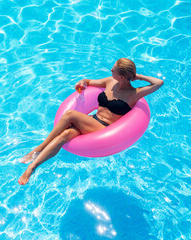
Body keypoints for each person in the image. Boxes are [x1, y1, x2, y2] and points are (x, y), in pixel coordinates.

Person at [18, 58, 164, 185]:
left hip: (105, 129)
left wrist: (138, 76)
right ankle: (32, 168)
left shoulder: (135, 93)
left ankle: (39, 147)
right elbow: (88, 81)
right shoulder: (110, 81)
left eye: (113, 69)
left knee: (69, 114)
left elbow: (159, 82)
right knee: (65, 135)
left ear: (121, 76)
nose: (111, 70)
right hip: (92, 121)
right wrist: (82, 83)